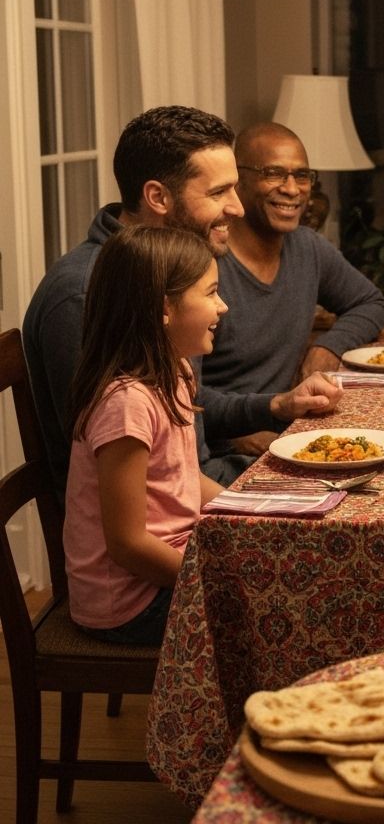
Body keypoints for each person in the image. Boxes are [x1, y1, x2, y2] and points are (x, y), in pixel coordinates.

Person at [21, 105, 341, 495]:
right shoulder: (89, 294)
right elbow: (118, 471)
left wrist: (276, 406)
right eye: (219, 192)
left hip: (202, 478)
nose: (237, 208)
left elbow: (183, 403)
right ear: (158, 197)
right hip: (173, 508)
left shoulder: (170, 270)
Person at [63, 227, 228, 644]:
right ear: (164, 308)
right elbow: (127, 544)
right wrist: (211, 577)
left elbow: (185, 478)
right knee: (271, 606)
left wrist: (252, 508)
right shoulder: (126, 403)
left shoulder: (176, 371)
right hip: (130, 603)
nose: (222, 306)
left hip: (169, 565)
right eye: (211, 293)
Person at [201, 122, 384, 455]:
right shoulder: (203, 263)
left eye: (302, 176)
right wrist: (235, 436)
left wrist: (326, 348)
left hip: (290, 430)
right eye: (273, 173)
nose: (292, 189)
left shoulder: (308, 247)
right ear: (237, 181)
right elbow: (180, 393)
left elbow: (371, 302)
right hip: (223, 450)